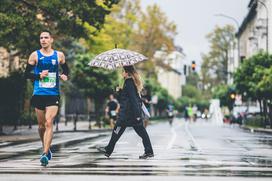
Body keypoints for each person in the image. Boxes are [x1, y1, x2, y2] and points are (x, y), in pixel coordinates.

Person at [24, 30, 69, 166]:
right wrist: (38, 76)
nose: (43, 40)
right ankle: (46, 147)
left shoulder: (59, 55)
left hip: (53, 94)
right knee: (41, 126)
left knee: (49, 122)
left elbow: (66, 70)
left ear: (51, 40)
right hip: (38, 93)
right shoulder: (35, 55)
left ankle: (44, 153)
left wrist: (64, 75)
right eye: (41, 38)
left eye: (46, 38)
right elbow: (26, 74)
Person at [97, 65, 154, 159]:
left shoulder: (129, 82)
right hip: (129, 114)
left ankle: (108, 150)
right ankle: (108, 150)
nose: (122, 73)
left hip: (128, 114)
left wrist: (137, 115)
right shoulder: (128, 83)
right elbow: (126, 98)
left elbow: (134, 99)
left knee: (119, 130)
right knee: (130, 131)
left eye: (123, 71)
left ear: (127, 73)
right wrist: (120, 91)